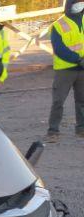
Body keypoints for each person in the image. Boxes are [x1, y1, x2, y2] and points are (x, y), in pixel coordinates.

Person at [47, 0, 84, 139]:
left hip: (82, 69)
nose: (80, 5)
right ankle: (53, 131)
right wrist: (78, 59)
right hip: (65, 70)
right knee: (58, 101)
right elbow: (59, 48)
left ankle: (81, 128)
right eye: (78, 3)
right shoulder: (59, 25)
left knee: (82, 101)